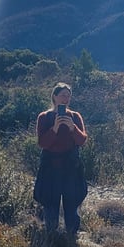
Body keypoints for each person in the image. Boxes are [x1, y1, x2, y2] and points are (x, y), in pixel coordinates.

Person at [33, 83, 88, 235]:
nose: (66, 99)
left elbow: (82, 141)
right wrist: (55, 128)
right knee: (50, 204)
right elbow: (43, 143)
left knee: (72, 203)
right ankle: (51, 235)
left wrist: (72, 128)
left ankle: (71, 237)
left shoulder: (75, 117)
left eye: (68, 95)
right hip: (50, 168)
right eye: (63, 95)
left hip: (71, 168)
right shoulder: (44, 117)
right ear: (54, 96)